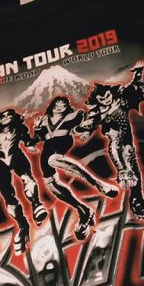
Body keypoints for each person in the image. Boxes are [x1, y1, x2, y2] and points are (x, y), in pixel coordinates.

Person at [33, 96, 120, 240]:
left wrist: (87, 129)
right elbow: (38, 138)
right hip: (47, 150)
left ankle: (99, 184)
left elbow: (86, 122)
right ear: (52, 106)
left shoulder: (73, 116)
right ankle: (84, 211)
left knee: (54, 160)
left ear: (67, 107)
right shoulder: (44, 120)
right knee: (52, 185)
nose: (59, 107)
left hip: (61, 143)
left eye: (63, 105)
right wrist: (36, 130)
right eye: (57, 105)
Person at [76, 62, 144, 222]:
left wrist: (138, 73)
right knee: (117, 145)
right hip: (115, 138)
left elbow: (133, 86)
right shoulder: (98, 112)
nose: (105, 100)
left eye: (107, 96)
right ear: (97, 99)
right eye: (101, 98)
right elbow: (89, 124)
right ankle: (123, 172)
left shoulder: (121, 101)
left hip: (128, 140)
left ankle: (137, 200)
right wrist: (86, 131)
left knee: (133, 164)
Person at [0, 108, 47, 254]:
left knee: (27, 179)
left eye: (9, 115)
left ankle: (36, 204)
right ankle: (23, 225)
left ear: (13, 118)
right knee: (8, 197)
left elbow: (28, 142)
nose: (5, 117)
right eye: (3, 116)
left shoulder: (19, 128)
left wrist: (38, 129)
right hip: (0, 164)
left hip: (17, 157)